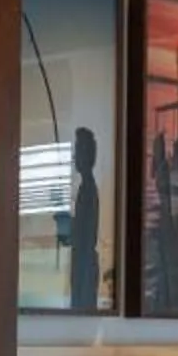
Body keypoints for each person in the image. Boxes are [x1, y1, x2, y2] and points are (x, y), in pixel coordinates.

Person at [66, 125, 102, 313]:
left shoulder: (88, 189)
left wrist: (69, 226)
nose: (74, 157)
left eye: (78, 151)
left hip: (84, 264)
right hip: (82, 261)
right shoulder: (86, 188)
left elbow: (85, 235)